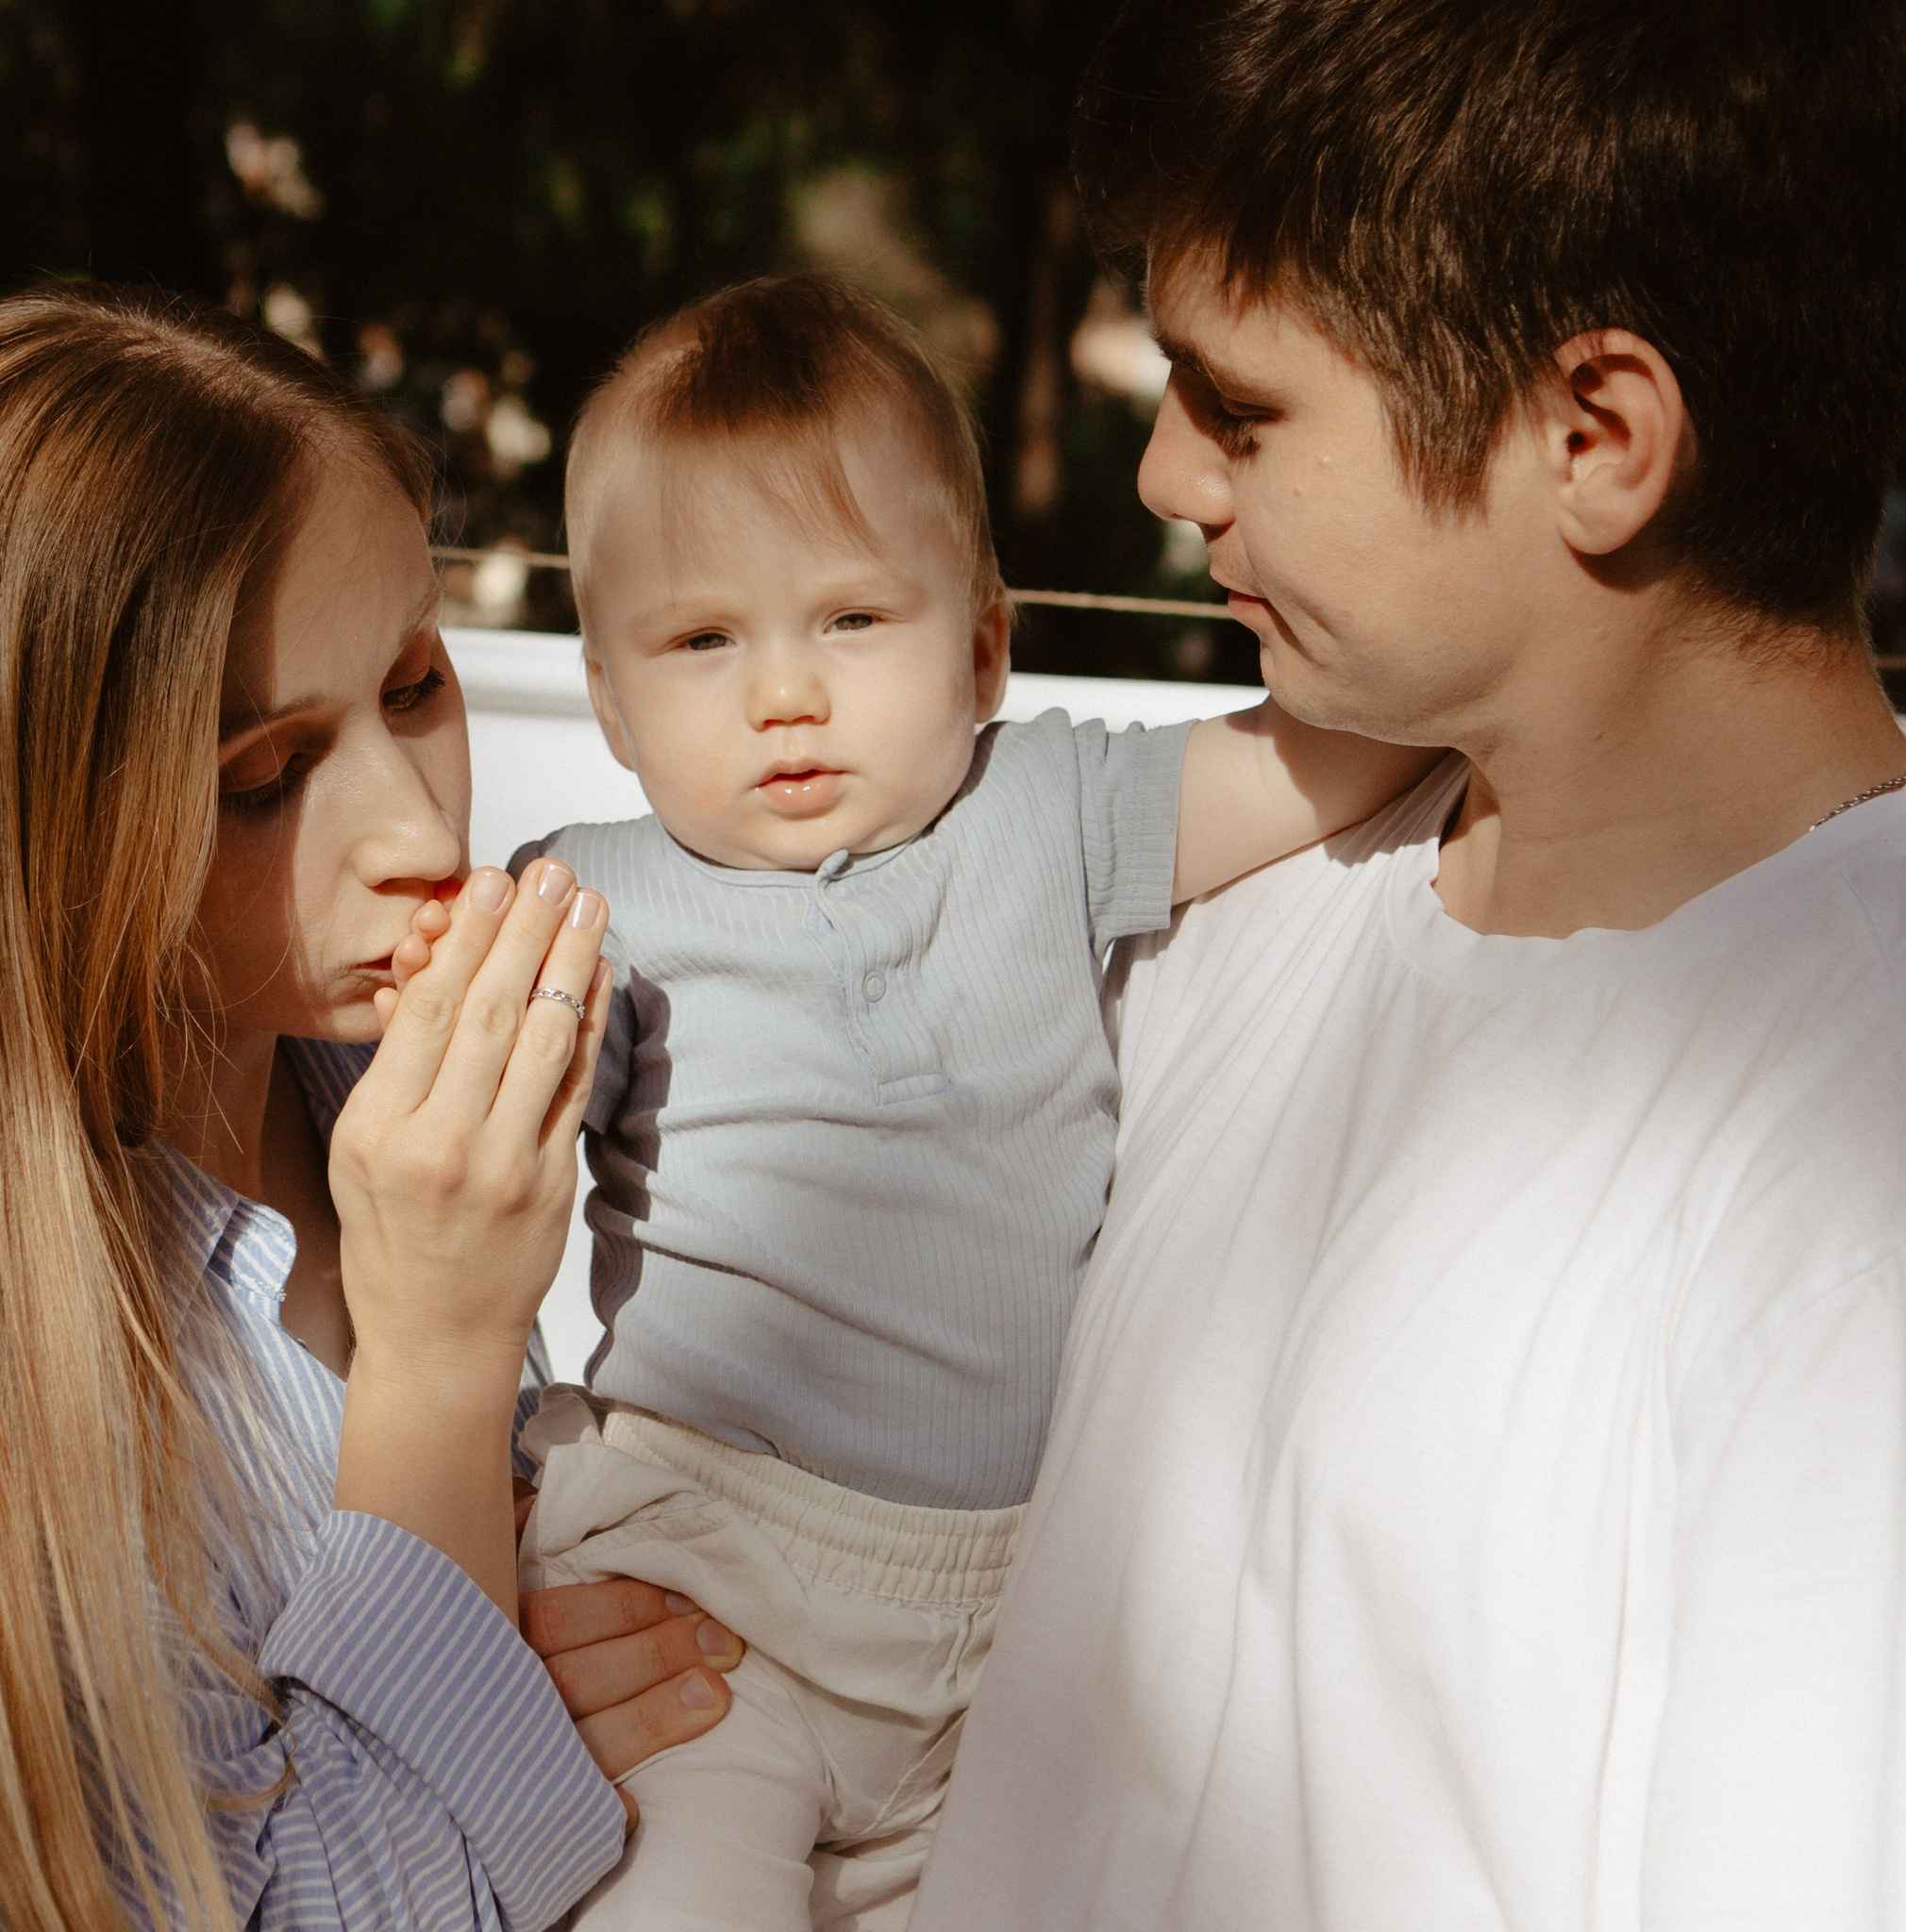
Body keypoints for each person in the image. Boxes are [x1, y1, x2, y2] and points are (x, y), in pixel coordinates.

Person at [910, 2, 1906, 1926]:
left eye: (1237, 407)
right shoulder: (1240, 884)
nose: (1165, 478)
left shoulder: (1882, 1203)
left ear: (1593, 438)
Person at [0, 288, 747, 1932]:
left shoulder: (351, 1087)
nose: (420, 835)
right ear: (24, 839)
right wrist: (440, 1368)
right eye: (263, 777)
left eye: (415, 681)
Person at [382, 273, 1432, 1929]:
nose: (782, 694)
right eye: (703, 641)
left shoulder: (1054, 810)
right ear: (609, 704)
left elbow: (1328, 758)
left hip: (1025, 1612)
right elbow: (455, 1164)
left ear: (985, 646)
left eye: (853, 621)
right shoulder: (594, 902)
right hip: (712, 1572)